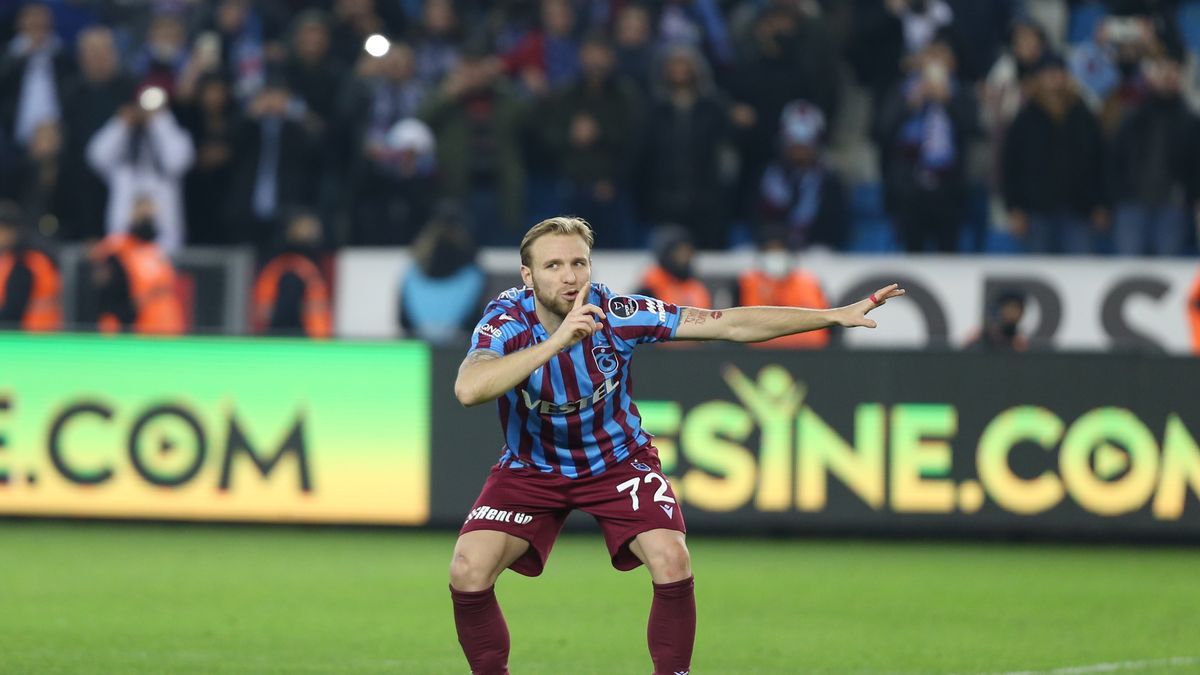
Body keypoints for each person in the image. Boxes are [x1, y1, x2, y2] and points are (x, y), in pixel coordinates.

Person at [448, 215, 905, 675]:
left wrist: (832, 315)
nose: (569, 276)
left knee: (671, 558)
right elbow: (469, 389)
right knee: (467, 570)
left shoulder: (619, 314)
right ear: (527, 276)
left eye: (578, 263)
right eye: (553, 266)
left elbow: (728, 324)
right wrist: (558, 341)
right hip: (532, 466)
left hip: (617, 461)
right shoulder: (506, 320)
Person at [89, 196, 186, 336]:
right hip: (134, 328)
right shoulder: (118, 249)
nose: (147, 220)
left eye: (150, 215)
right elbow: (108, 292)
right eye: (143, 215)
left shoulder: (156, 251)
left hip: (165, 326)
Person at [736, 227, 830, 349]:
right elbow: (738, 329)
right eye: (770, 250)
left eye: (779, 250)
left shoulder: (809, 282)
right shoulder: (746, 283)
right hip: (758, 356)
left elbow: (824, 329)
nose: (775, 256)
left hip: (806, 353)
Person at [253, 209, 332, 338]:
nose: (316, 232)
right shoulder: (294, 269)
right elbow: (286, 312)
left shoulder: (298, 265)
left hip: (307, 339)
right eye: (309, 228)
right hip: (298, 340)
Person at [0, 201, 61, 332]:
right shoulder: (13, 257)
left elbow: (13, 310)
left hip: (32, 334)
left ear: (13, 231)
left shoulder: (25, 262)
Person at [636, 225, 712, 309]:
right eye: (679, 252)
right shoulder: (650, 289)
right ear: (666, 254)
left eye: (688, 252)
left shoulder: (697, 286)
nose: (684, 258)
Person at [963, 289, 1029, 352]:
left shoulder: (1021, 344)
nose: (1013, 313)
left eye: (1018, 309)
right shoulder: (981, 338)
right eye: (1010, 308)